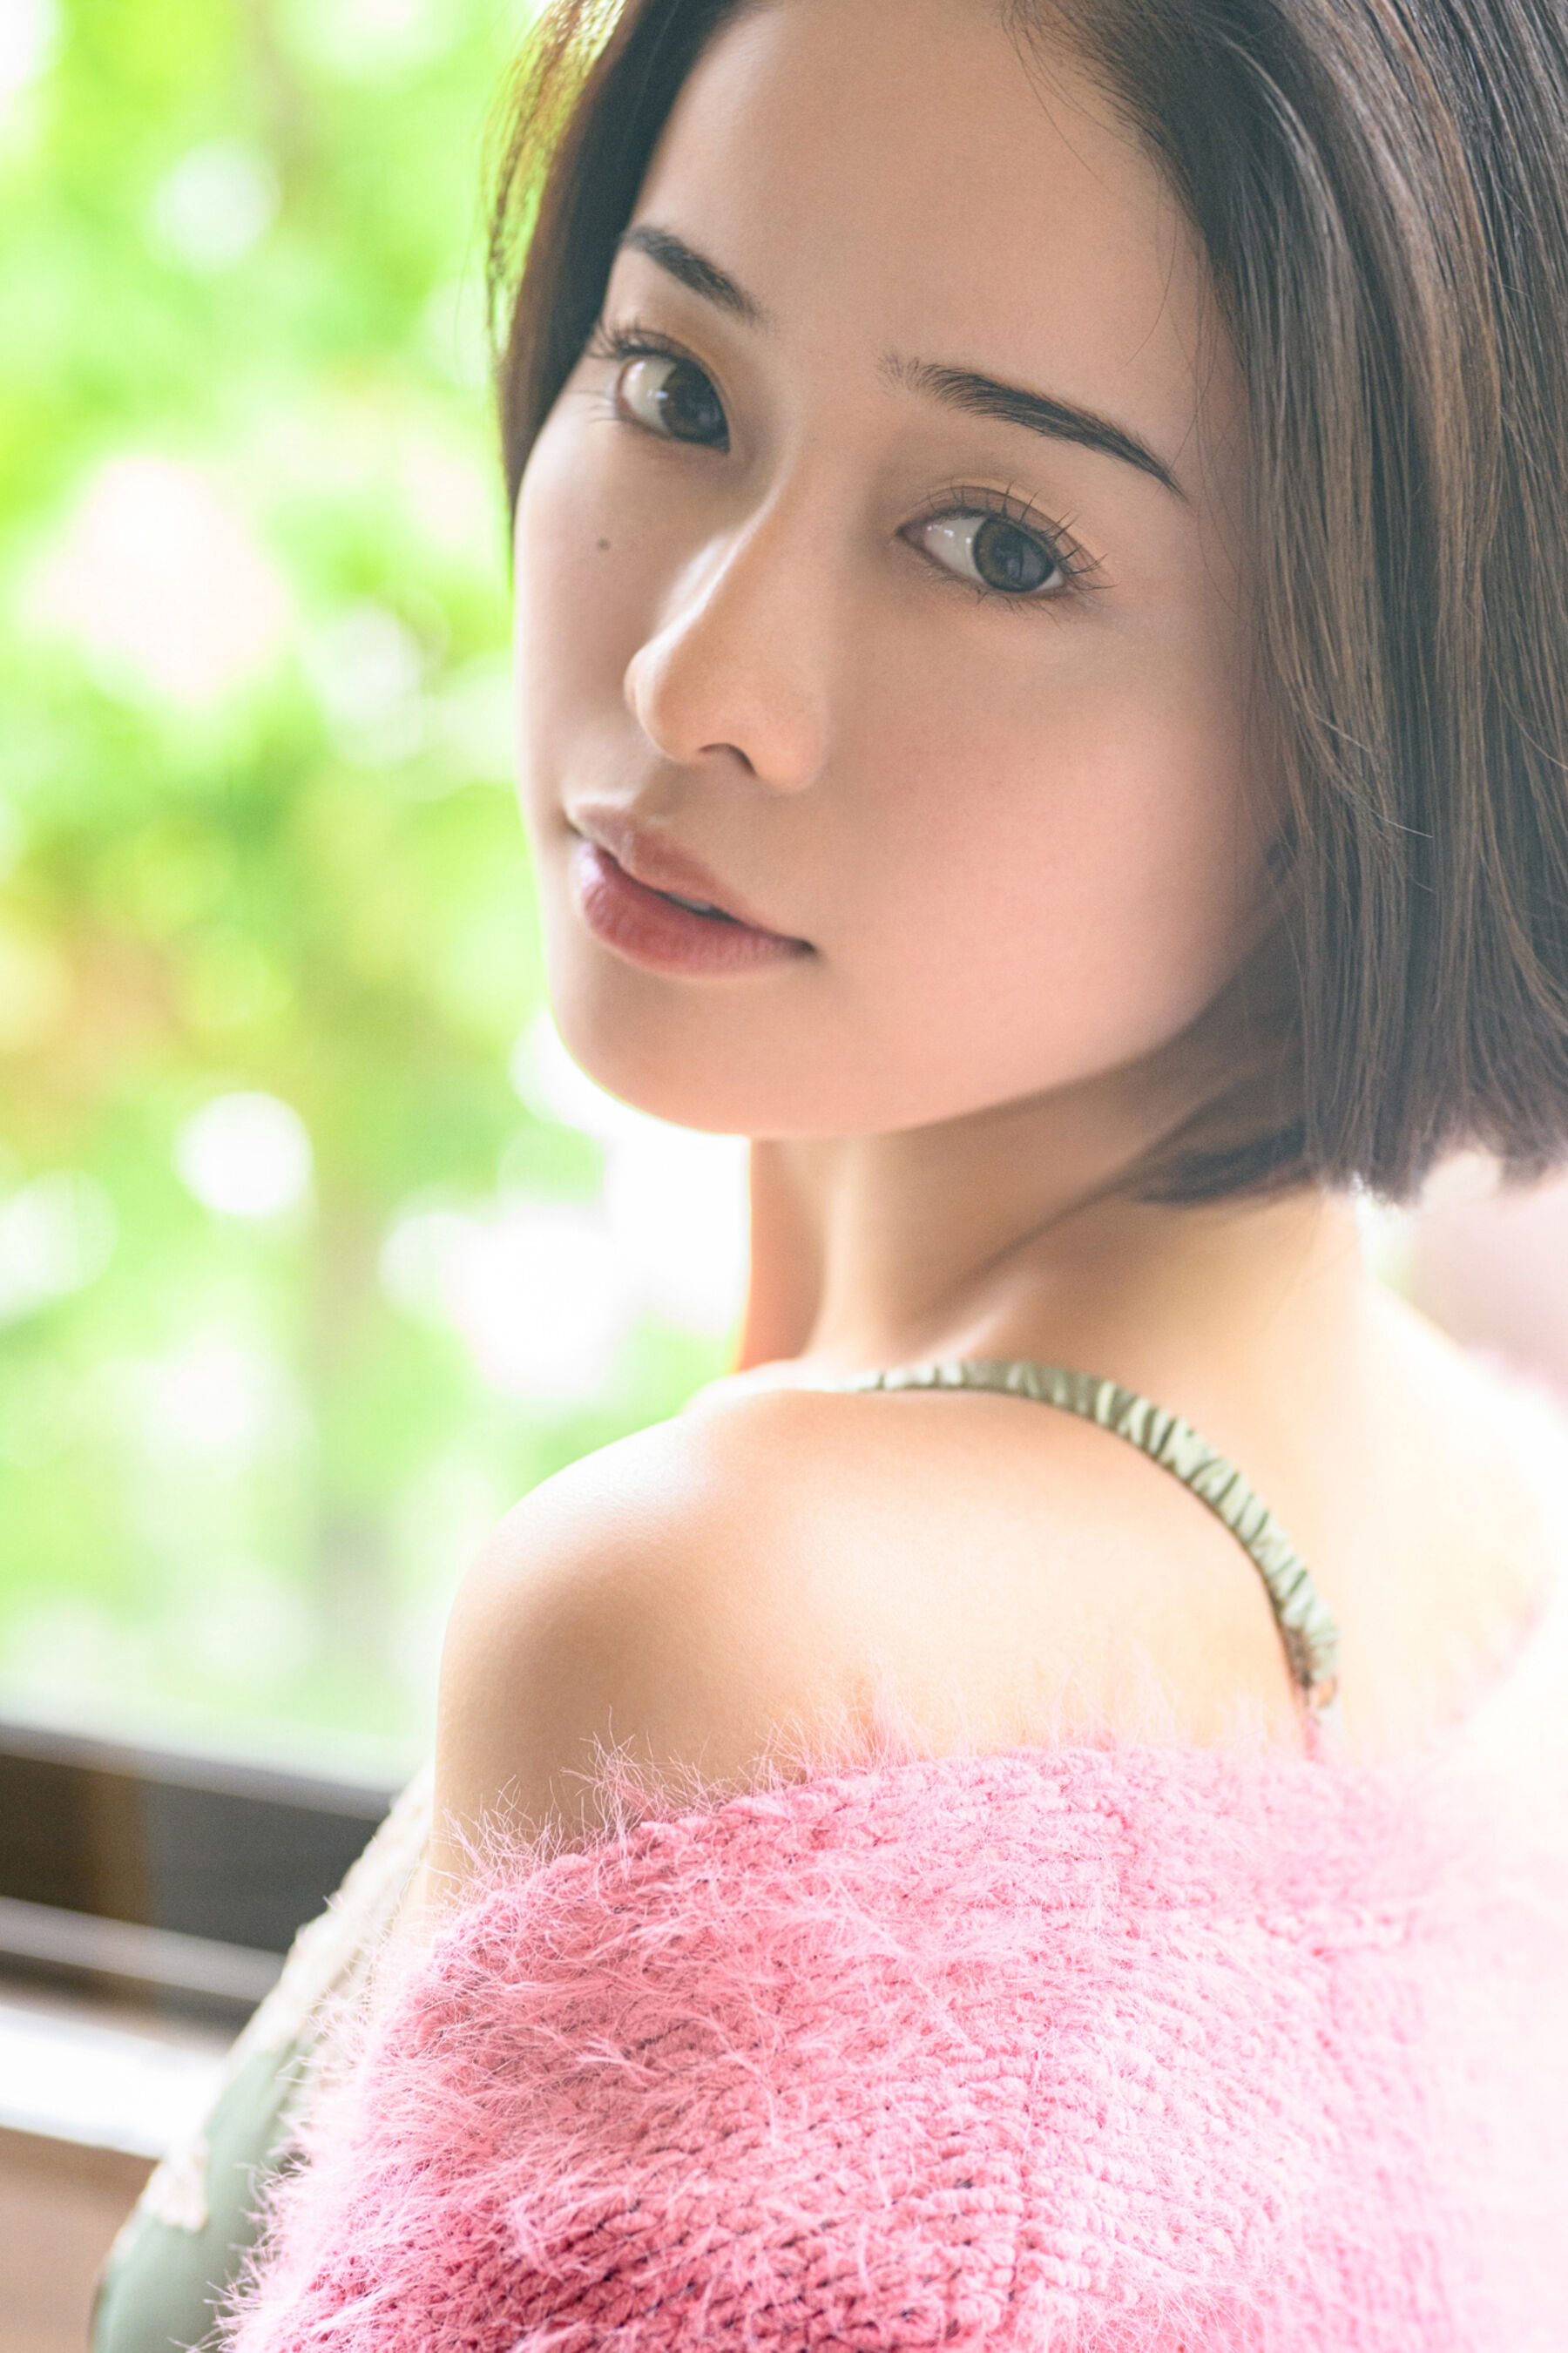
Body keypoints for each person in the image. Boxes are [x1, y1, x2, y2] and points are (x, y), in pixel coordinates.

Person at [96, 0, 1568, 2343]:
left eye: (996, 544)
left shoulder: (720, 1626)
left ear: (1386, 699)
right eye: (677, 387)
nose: (698, 681)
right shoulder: (1484, 1513)